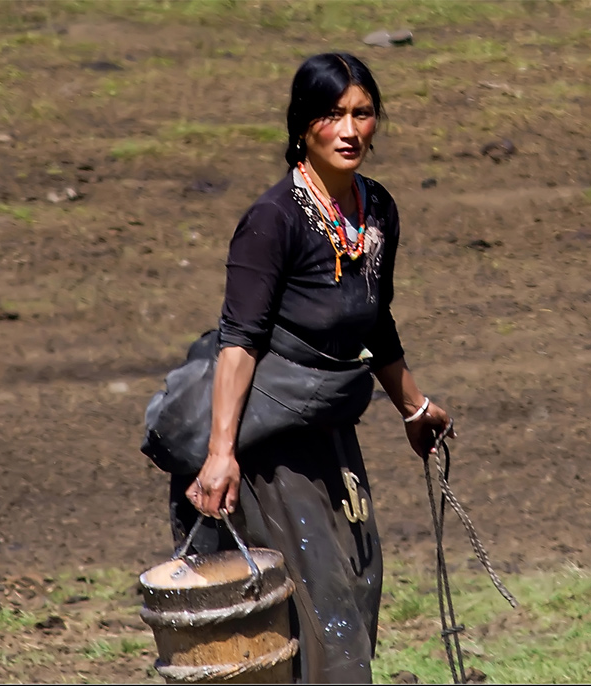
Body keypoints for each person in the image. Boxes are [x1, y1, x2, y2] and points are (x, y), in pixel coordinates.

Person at [167, 52, 454, 684]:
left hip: (330, 426)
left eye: (363, 113)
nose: (350, 129)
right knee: (320, 600)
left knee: (359, 577)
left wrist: (413, 406)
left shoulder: (375, 208)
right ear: (303, 126)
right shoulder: (272, 222)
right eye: (332, 114)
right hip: (269, 443)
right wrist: (221, 454)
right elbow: (238, 342)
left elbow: (373, 321)